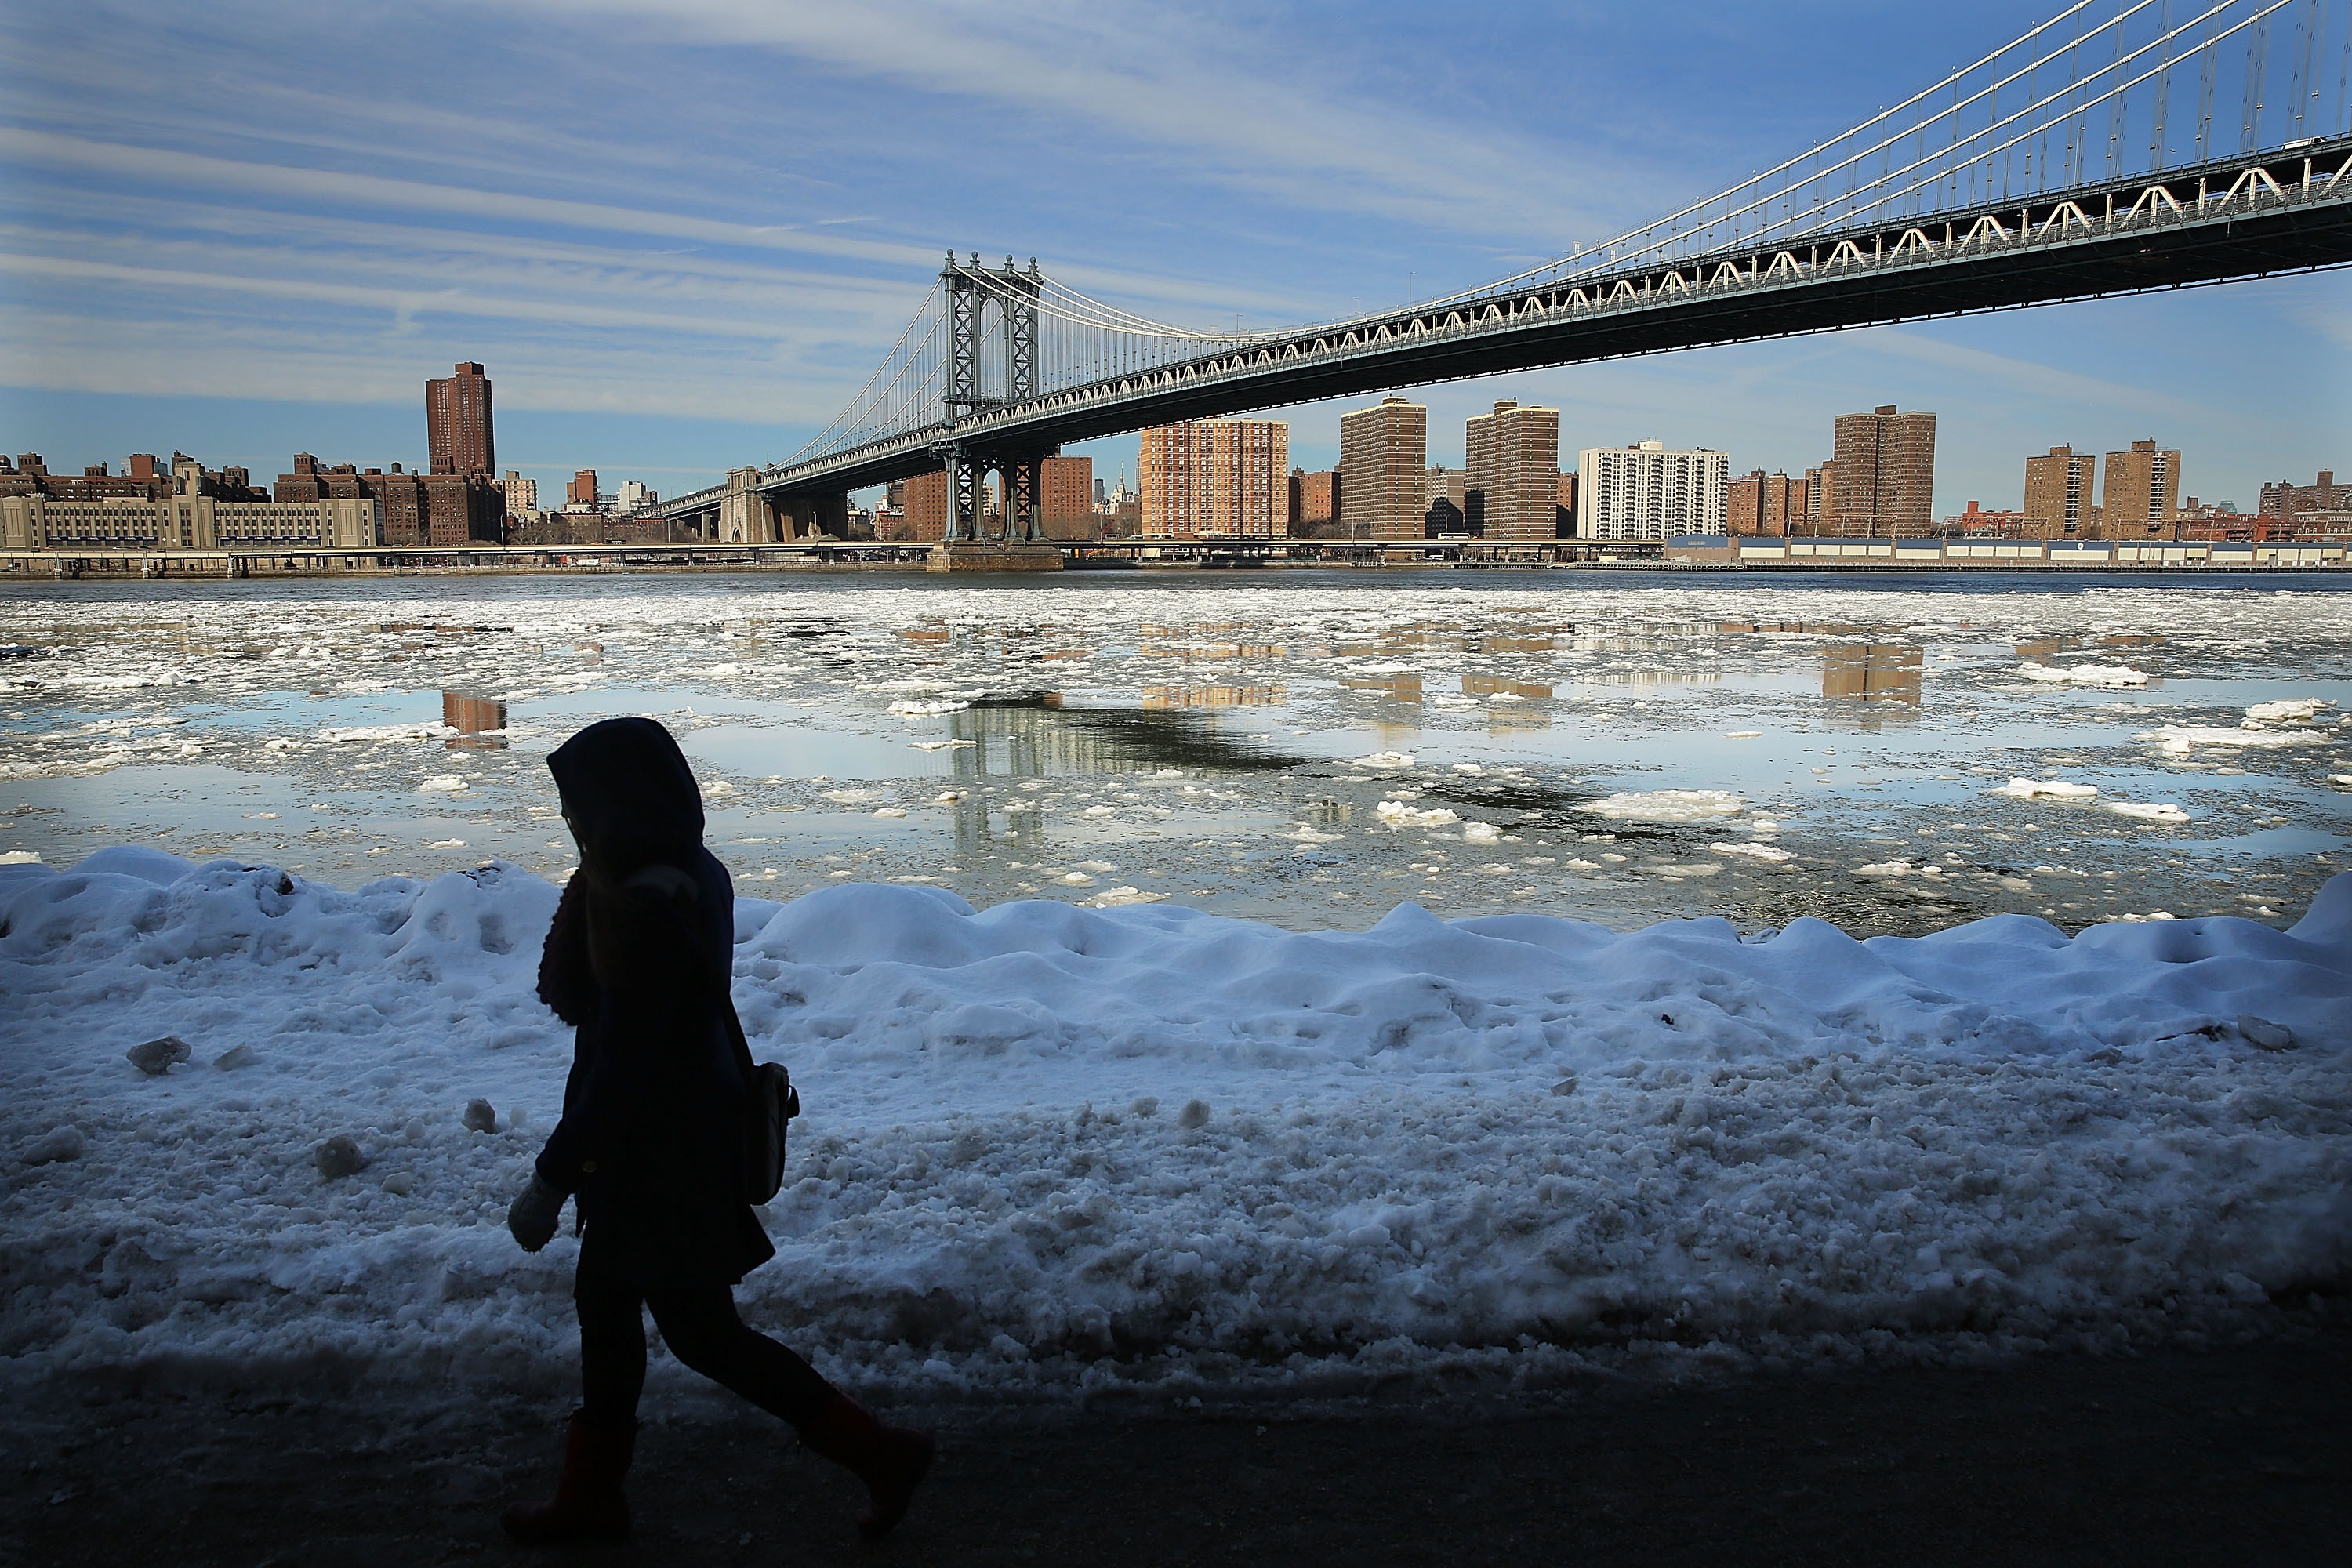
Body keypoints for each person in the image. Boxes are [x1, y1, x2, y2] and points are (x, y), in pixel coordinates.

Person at [502, 716, 932, 1546]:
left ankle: (880, 1453)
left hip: (657, 1151)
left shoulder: (644, 899)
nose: (570, 821)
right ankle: (595, 1496)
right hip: (672, 1139)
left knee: (699, 1331)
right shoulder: (686, 873)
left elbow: (626, 1059)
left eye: (577, 803)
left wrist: (552, 1176)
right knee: (623, 1309)